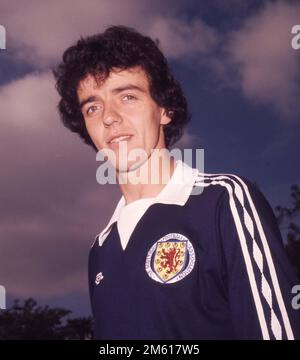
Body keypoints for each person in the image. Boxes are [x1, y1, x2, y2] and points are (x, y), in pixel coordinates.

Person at [53, 25, 300, 340]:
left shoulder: (225, 201)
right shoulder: (101, 249)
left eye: (127, 96)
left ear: (164, 110)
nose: (109, 117)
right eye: (93, 106)